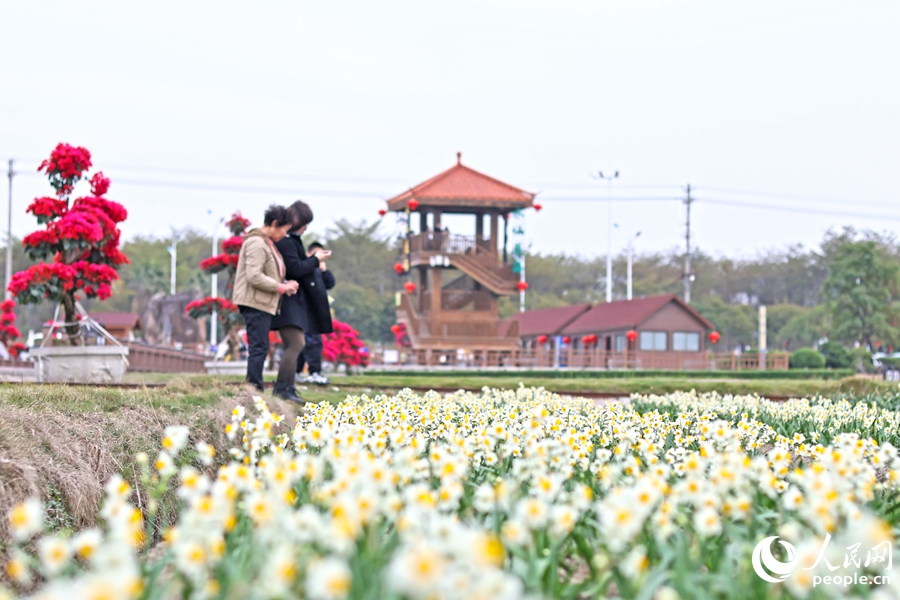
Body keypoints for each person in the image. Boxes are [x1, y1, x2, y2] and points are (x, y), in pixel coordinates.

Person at [270, 200, 333, 402]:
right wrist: (316, 260)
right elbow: (296, 268)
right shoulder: (287, 242)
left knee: (294, 343)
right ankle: (281, 388)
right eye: (305, 223)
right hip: (288, 300)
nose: (306, 228)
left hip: (292, 300)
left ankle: (287, 388)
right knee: (297, 343)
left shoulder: (291, 240)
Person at [232, 205, 298, 393]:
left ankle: (255, 388)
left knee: (260, 347)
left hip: (261, 302)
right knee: (258, 347)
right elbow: (254, 276)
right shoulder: (257, 243)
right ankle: (254, 389)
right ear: (275, 224)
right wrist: (281, 287)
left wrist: (283, 283)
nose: (285, 235)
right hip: (255, 302)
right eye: (285, 230)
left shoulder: (264, 242)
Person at [297, 241, 336, 385]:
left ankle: (314, 372)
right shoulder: (304, 268)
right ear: (308, 254)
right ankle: (300, 372)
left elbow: (330, 283)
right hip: (303, 312)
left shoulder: (320, 269)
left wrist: (324, 270)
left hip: (316, 312)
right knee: (303, 343)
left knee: (313, 343)